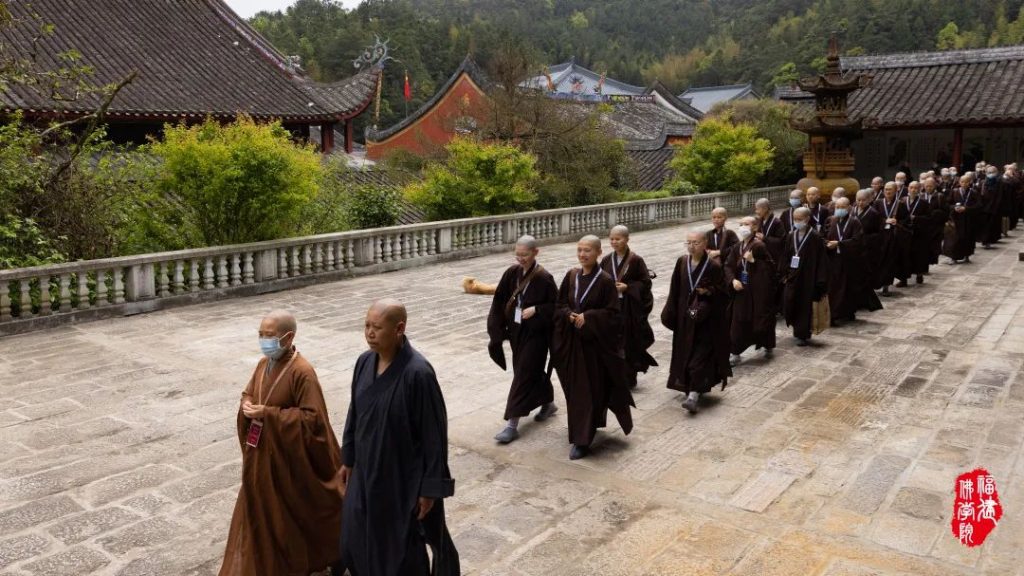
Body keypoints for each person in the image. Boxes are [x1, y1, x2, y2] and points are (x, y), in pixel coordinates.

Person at [339, 300, 460, 576]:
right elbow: (354, 412)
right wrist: (348, 458)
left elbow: (434, 437)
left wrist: (429, 490)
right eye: (367, 326)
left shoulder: (418, 373)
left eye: (377, 327)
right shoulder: (364, 362)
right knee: (352, 539)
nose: (369, 333)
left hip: (399, 478)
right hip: (365, 471)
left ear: (399, 329)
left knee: (397, 550)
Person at [220, 311, 343, 576]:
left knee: (291, 516)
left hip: (289, 461)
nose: (264, 341)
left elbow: (313, 420)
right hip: (263, 455)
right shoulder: (264, 364)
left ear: (288, 337)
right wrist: (247, 404)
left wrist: (269, 414)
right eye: (261, 334)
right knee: (259, 510)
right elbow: (249, 391)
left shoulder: (303, 372)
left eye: (270, 336)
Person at [551, 235, 634, 460]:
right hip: (572, 346)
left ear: (598, 252)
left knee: (588, 392)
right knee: (577, 392)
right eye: (579, 250)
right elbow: (559, 305)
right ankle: (584, 428)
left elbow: (615, 315)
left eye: (587, 250)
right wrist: (569, 315)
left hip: (595, 349)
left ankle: (582, 439)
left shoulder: (605, 280)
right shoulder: (571, 276)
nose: (582, 255)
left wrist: (590, 317)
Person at [487, 235, 559, 444]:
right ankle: (548, 403)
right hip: (516, 332)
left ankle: (512, 425)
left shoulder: (544, 277)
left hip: (537, 335)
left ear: (536, 252)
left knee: (523, 375)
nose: (520, 259)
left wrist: (537, 309)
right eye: (517, 255)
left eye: (524, 255)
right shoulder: (512, 273)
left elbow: (557, 307)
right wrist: (496, 331)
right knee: (528, 372)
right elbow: (499, 300)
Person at [661, 231, 731, 413]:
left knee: (699, 358)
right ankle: (688, 386)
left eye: (696, 242)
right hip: (685, 319)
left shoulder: (713, 266)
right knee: (685, 353)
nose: (692, 246)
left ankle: (693, 394)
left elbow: (724, 293)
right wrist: (671, 313)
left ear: (705, 243)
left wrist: (709, 292)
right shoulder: (682, 262)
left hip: (705, 322)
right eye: (689, 242)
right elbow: (674, 289)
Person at [600, 225, 657, 389]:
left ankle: (629, 376)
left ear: (627, 239)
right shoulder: (606, 259)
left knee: (628, 343)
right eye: (611, 239)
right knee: (612, 342)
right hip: (612, 308)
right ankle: (614, 375)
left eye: (618, 239)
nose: (614, 242)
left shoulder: (636, 260)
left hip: (629, 308)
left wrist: (628, 288)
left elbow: (645, 283)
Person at [724, 216, 776, 365]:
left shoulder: (759, 245)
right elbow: (728, 266)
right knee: (737, 321)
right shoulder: (737, 247)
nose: (742, 227)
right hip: (741, 290)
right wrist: (733, 280)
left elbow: (771, 268)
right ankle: (735, 352)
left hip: (758, 291)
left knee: (760, 320)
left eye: (746, 224)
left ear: (754, 227)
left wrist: (754, 262)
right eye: (740, 224)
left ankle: (767, 344)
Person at [778, 207, 829, 346]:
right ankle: (796, 328)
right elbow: (786, 256)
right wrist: (784, 274)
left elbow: (821, 260)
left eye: (799, 219)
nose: (796, 222)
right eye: (795, 219)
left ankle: (803, 334)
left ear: (807, 219)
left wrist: (820, 281)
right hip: (793, 276)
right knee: (790, 302)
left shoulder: (815, 237)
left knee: (804, 306)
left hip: (808, 278)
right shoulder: (791, 235)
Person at [825, 197, 872, 325]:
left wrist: (840, 244)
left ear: (848, 208)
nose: (839, 210)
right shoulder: (831, 220)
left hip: (849, 261)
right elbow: (824, 236)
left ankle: (848, 311)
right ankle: (833, 315)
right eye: (837, 207)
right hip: (834, 260)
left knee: (847, 288)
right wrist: (827, 244)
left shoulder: (854, 222)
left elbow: (858, 241)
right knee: (834, 288)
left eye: (842, 207)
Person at [873, 181, 911, 295]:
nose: (887, 191)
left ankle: (886, 285)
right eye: (886, 189)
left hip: (894, 238)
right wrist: (885, 221)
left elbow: (907, 220)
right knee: (880, 261)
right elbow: (874, 218)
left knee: (890, 262)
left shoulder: (900, 204)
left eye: (890, 189)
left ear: (896, 191)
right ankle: (880, 283)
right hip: (881, 238)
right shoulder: (878, 203)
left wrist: (897, 221)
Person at [944, 173, 979, 264]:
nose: (964, 184)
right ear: (959, 182)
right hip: (956, 219)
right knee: (955, 239)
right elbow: (947, 204)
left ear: (970, 182)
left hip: (968, 219)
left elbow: (978, 205)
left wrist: (966, 208)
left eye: (967, 182)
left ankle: (966, 255)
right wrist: (954, 208)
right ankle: (953, 257)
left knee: (967, 238)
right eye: (962, 182)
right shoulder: (954, 191)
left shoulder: (973, 192)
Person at [905, 181, 933, 284]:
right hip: (906, 232)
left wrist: (916, 218)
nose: (913, 190)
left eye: (916, 188)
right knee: (905, 255)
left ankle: (919, 274)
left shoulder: (924, 203)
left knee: (919, 255)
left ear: (920, 189)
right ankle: (904, 278)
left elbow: (929, 218)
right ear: (908, 188)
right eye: (911, 187)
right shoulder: (902, 201)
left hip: (919, 233)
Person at [922, 177, 948, 267]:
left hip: (936, 227)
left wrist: (936, 213)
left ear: (935, 186)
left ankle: (930, 262)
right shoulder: (921, 196)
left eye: (930, 186)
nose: (928, 188)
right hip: (923, 226)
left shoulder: (940, 196)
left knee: (934, 246)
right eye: (926, 186)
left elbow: (946, 211)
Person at [978, 164, 1006, 248]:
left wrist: (997, 206)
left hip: (994, 207)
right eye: (989, 172)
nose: (991, 174)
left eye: (992, 172)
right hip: (984, 207)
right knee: (984, 225)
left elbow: (1001, 196)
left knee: (992, 225)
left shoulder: (1000, 182)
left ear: (996, 172)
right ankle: (984, 240)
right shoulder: (984, 181)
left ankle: (989, 241)